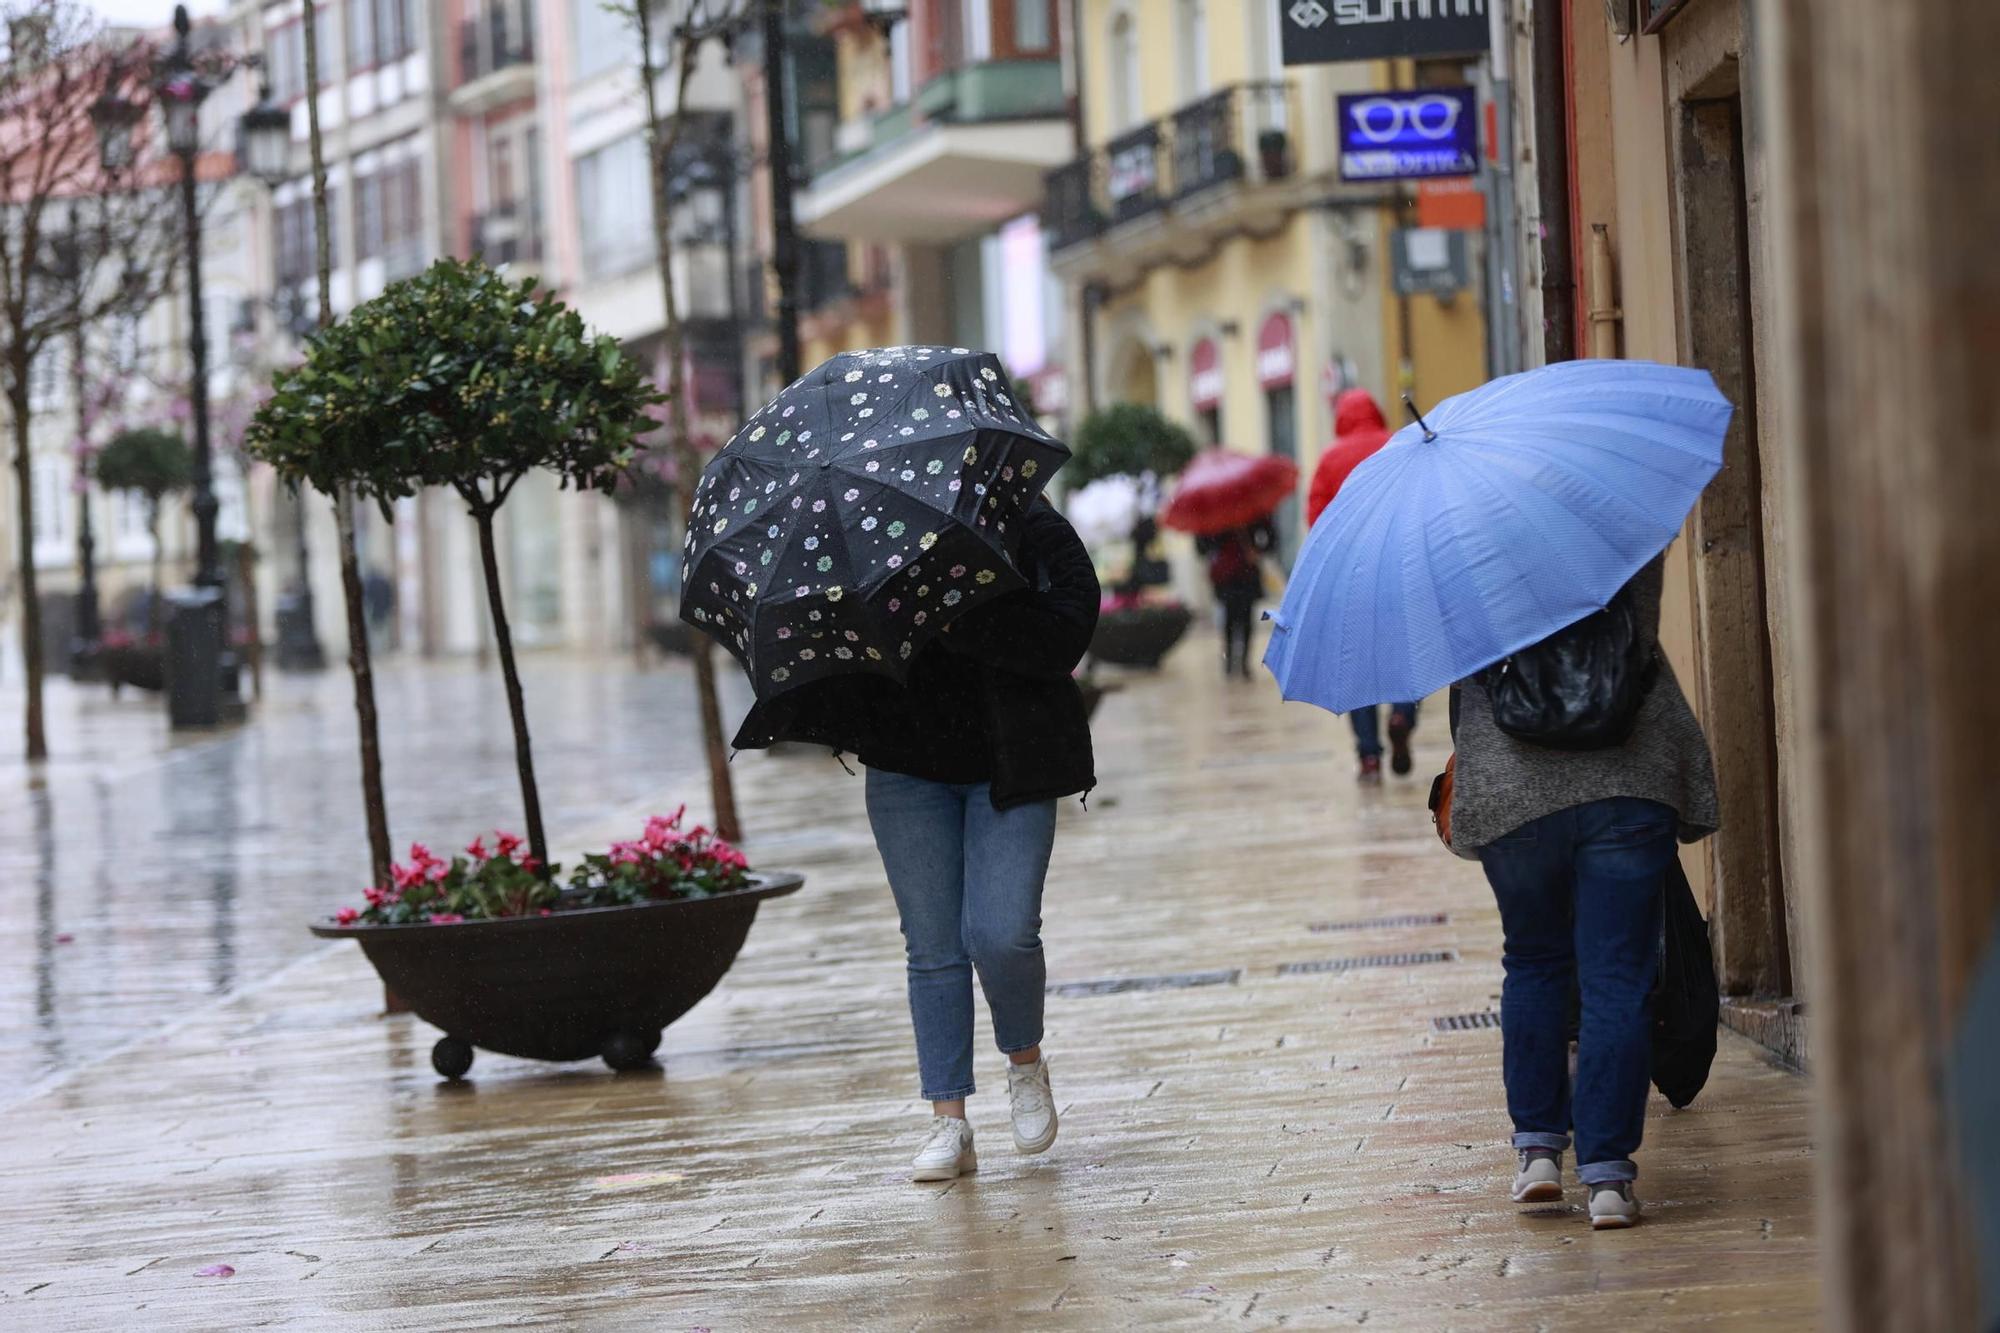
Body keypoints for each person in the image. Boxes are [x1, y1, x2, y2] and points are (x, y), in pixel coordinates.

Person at [734, 499, 1100, 1183]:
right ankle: (949, 1120)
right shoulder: (864, 532)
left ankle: (1025, 1063)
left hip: (1013, 762)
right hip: (906, 767)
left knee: (1003, 932)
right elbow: (836, 643)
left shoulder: (1022, 519)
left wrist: (967, 619)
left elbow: (1070, 626)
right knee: (933, 946)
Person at [1448, 555, 1719, 1230]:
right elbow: (1635, 637)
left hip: (1514, 787)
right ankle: (1607, 1179)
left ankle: (1539, 1151)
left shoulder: (1461, 544)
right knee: (1617, 978)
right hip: (1628, 773)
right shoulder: (1620, 524)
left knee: (1534, 961)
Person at [1307, 389, 1423, 781]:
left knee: (1358, 668)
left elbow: (1317, 521)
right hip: (1397, 569)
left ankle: (1369, 755)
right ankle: (1403, 715)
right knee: (1405, 654)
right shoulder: (1396, 445)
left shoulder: (1330, 459)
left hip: (1351, 577)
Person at [1197, 519, 1273, 680]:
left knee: (1246, 619)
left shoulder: (1253, 513)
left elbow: (1271, 537)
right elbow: (1202, 546)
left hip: (1247, 574)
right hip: (1226, 576)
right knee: (1229, 618)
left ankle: (1244, 663)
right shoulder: (1216, 517)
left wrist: (1257, 550)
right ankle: (1230, 661)